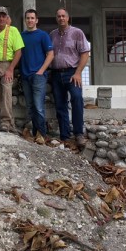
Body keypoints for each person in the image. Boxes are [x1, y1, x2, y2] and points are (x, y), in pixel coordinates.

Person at [49, 8, 90, 149]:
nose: (61, 18)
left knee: (77, 98)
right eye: (58, 16)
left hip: (72, 73)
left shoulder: (77, 33)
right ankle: (65, 136)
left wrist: (78, 73)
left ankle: (78, 133)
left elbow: (85, 53)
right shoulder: (52, 35)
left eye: (63, 16)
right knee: (60, 104)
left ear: (68, 18)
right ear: (56, 18)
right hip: (56, 74)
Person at [0, 6, 24, 132]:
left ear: (7, 18)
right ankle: (9, 121)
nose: (1, 18)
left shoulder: (13, 31)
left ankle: (5, 121)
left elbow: (18, 52)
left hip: (6, 65)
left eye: (4, 16)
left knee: (7, 92)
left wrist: (10, 69)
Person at [20, 9, 53, 142]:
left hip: (38, 76)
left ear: (36, 20)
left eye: (32, 18)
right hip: (25, 76)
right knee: (29, 106)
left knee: (38, 106)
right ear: (25, 20)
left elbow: (50, 54)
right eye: (28, 18)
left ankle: (41, 134)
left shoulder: (43, 35)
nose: (30, 20)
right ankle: (33, 133)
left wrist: (41, 71)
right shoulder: (21, 35)